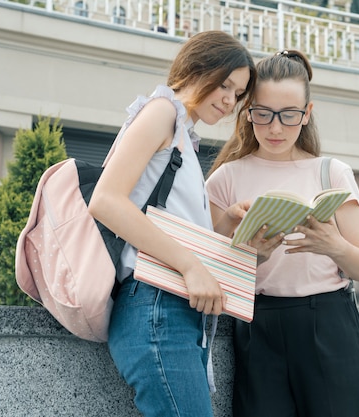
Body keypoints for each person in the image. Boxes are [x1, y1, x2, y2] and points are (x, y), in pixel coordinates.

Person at [88, 31, 256, 417]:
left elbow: (164, 219)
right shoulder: (161, 111)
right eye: (224, 84)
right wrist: (190, 265)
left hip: (173, 310)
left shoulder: (184, 135)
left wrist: (226, 220)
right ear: (197, 67)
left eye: (238, 93)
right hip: (155, 304)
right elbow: (106, 200)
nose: (230, 100)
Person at [206, 50, 359, 417]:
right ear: (247, 110)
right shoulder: (226, 179)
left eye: (289, 116)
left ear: (307, 114)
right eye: (263, 114)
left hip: (328, 320)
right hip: (257, 324)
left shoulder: (331, 172)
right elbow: (207, 272)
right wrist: (252, 256)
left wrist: (333, 246)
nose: (275, 128)